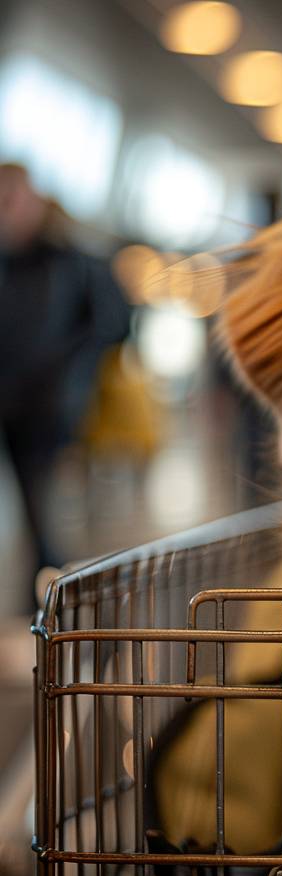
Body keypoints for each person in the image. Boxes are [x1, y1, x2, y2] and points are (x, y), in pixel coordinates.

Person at [0, 164, 131, 607]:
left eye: (11, 200)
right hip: (13, 405)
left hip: (51, 407)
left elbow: (111, 324)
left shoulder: (71, 260)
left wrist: (72, 371)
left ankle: (50, 599)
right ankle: (41, 596)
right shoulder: (11, 262)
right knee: (35, 510)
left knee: (46, 510)